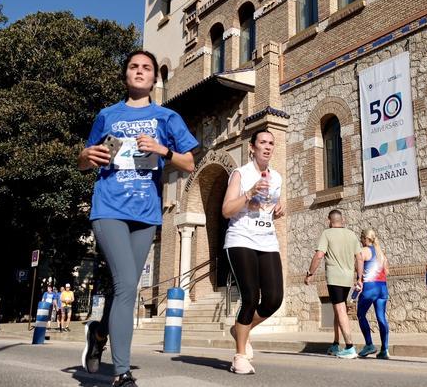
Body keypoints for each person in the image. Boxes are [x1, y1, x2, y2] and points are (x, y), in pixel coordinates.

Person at [78, 50, 198, 387]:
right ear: (126, 75)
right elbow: (85, 160)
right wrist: (87, 155)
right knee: (128, 284)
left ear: (154, 78)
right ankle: (122, 373)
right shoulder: (107, 115)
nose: (140, 71)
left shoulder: (167, 117)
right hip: (109, 208)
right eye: (134, 66)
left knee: (123, 286)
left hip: (146, 213)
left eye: (146, 67)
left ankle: (99, 333)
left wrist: (163, 151)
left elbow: (189, 163)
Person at [221, 129, 286, 375]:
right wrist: (248, 195)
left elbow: (270, 206)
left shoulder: (277, 177)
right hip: (241, 238)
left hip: (267, 240)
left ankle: (240, 328)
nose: (267, 147)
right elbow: (227, 210)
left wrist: (278, 208)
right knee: (250, 297)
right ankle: (239, 356)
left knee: (273, 299)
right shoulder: (241, 174)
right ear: (252, 147)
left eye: (271, 143)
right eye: (262, 143)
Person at [304, 210, 361, 359]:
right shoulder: (351, 234)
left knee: (340, 309)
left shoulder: (327, 233)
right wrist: (359, 277)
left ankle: (349, 347)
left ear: (329, 220)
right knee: (338, 309)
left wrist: (310, 273)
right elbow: (359, 257)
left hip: (335, 278)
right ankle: (336, 344)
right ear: (343, 220)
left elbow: (319, 255)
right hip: (348, 278)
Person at [354, 228, 390, 359]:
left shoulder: (363, 251)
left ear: (364, 239)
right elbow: (387, 271)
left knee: (361, 314)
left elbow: (358, 265)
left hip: (370, 287)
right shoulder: (380, 252)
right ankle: (385, 349)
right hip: (382, 288)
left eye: (361, 239)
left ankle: (369, 344)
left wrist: (359, 279)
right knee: (381, 318)